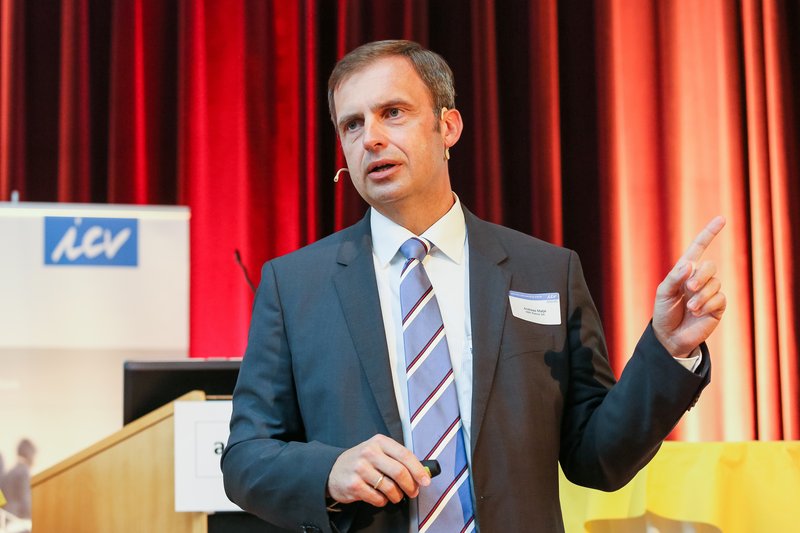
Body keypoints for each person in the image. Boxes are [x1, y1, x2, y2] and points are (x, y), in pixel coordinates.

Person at [222, 40, 726, 533]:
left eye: (392, 113)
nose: (370, 138)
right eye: (352, 124)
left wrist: (668, 350)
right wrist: (329, 472)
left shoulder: (546, 272)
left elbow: (598, 460)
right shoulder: (295, 285)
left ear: (448, 127)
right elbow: (245, 458)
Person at [0, 439, 36, 530]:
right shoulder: (23, 471)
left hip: (7, 521)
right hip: (19, 521)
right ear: (29, 454)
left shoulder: (9, 473)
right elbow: (26, 500)